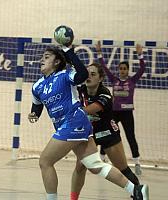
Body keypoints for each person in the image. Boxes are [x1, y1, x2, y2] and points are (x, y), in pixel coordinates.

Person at [28, 39, 149, 200]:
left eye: (47, 57)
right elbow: (37, 105)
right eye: (42, 57)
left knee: (45, 161)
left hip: (73, 121)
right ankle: (136, 190)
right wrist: (34, 114)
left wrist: (67, 49)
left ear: (56, 62)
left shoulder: (65, 75)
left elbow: (83, 74)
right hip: (70, 125)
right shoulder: (37, 86)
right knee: (94, 165)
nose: (42, 59)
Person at [70, 62, 140, 200]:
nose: (88, 76)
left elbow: (88, 110)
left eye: (93, 74)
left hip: (108, 133)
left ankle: (139, 193)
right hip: (90, 134)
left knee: (123, 169)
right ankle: (73, 198)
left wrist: (67, 112)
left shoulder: (105, 94)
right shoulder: (80, 90)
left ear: (100, 78)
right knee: (79, 168)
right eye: (87, 73)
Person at [96, 41, 146, 175]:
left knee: (130, 136)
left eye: (125, 68)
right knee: (107, 132)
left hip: (127, 113)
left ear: (128, 70)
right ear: (118, 70)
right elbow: (104, 68)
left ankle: (136, 163)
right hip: (114, 113)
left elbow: (142, 69)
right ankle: (101, 158)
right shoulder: (114, 80)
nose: (122, 70)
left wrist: (140, 55)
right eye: (121, 68)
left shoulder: (132, 81)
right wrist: (99, 53)